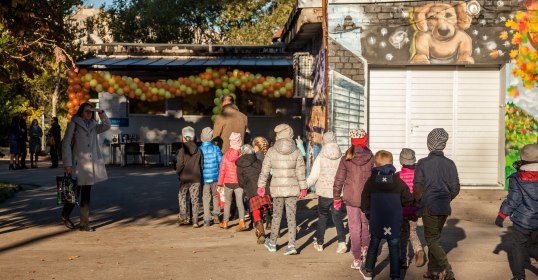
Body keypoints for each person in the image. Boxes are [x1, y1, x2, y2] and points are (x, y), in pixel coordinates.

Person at [414, 128, 460, 280]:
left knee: (432, 240)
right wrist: (446, 198)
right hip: (444, 207)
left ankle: (447, 269)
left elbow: (418, 188)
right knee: (435, 239)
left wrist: (418, 202)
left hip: (430, 206)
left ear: (429, 144)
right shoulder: (450, 164)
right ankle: (432, 271)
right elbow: (456, 188)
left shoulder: (422, 163)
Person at [360, 150, 414, 280]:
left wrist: (368, 212)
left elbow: (364, 201)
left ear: (375, 164)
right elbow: (408, 200)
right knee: (394, 248)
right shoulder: (397, 181)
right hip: (394, 221)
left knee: (374, 244)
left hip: (377, 220)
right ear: (391, 164)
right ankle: (395, 275)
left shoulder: (371, 181)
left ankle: (368, 271)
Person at [258, 124, 307, 255]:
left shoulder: (271, 151)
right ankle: (291, 245)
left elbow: (265, 170)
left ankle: (273, 243)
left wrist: (261, 186)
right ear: (290, 134)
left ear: (278, 135)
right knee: (292, 217)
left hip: (277, 189)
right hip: (292, 189)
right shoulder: (296, 151)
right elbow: (301, 171)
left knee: (277, 216)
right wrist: (303, 188)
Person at [62, 103, 111, 231]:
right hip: (77, 164)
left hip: (89, 166)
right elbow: (66, 143)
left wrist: (100, 111)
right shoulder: (74, 123)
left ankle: (84, 223)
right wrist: (67, 163)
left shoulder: (94, 125)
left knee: (86, 195)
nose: (89, 113)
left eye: (91, 111)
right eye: (86, 111)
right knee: (73, 193)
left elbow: (107, 125)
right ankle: (65, 215)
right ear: (81, 112)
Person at [495, 144, 538, 280]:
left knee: (518, 247)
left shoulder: (517, 178)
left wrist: (501, 215)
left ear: (522, 158)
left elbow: (513, 200)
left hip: (522, 222)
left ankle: (519, 276)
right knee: (535, 246)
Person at [333, 128, 374, 269]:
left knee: (354, 227)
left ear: (352, 141)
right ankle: (366, 249)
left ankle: (357, 258)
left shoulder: (346, 158)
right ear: (365, 140)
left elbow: (339, 179)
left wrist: (336, 197)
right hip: (367, 198)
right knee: (365, 225)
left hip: (350, 198)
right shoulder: (371, 157)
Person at [306, 131, 347, 253]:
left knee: (322, 217)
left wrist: (304, 186)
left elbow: (313, 176)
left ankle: (319, 243)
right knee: (337, 217)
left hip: (324, 193)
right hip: (338, 193)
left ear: (324, 140)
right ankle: (342, 243)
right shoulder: (342, 156)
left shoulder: (321, 156)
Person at [396, 148, 426, 268]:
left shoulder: (397, 176)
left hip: (401, 210)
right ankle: (419, 250)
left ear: (401, 161)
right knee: (412, 231)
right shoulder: (418, 176)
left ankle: (404, 259)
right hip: (415, 209)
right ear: (414, 161)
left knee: (403, 234)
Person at [237, 144, 272, 244]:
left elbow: (240, 180)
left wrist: (245, 187)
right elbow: (265, 173)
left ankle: (261, 231)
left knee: (256, 209)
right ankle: (273, 224)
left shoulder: (239, 164)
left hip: (251, 188)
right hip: (262, 187)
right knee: (266, 205)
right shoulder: (257, 160)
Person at [217, 132, 247, 231]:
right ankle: (242, 222)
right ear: (239, 141)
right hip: (239, 182)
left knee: (227, 203)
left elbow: (222, 169)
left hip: (228, 182)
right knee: (240, 202)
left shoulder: (226, 154)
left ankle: (225, 222)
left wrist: (220, 183)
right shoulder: (242, 154)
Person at [176, 126, 203, 228]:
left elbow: (179, 165)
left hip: (184, 178)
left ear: (183, 137)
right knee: (194, 198)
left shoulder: (182, 151)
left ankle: (183, 217)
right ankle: (195, 220)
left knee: (182, 197)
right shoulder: (199, 150)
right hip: (196, 178)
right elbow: (202, 164)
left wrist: (178, 173)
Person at [199, 127, 222, 226]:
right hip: (215, 177)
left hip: (204, 178)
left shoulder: (199, 149)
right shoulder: (216, 148)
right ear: (211, 137)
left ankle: (207, 219)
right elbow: (220, 162)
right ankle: (216, 215)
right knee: (215, 196)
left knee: (205, 197)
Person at [252, 136, 272, 229]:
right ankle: (269, 220)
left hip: (259, 181)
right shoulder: (267, 155)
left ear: (256, 146)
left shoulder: (256, 157)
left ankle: (258, 221)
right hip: (268, 181)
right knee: (267, 202)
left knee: (260, 203)